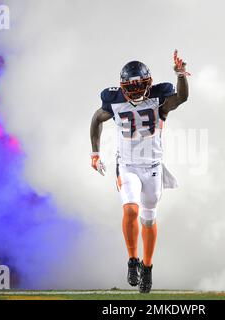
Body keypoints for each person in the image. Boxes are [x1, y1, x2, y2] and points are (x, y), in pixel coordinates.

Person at [89, 50, 189, 293]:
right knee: (131, 209)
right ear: (123, 85)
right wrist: (95, 153)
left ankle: (147, 267)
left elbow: (182, 97)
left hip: (153, 166)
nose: (134, 90)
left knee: (148, 217)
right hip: (127, 165)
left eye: (139, 85)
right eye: (130, 86)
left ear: (149, 83)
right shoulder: (113, 101)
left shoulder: (159, 100)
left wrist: (181, 74)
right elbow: (96, 118)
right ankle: (133, 260)